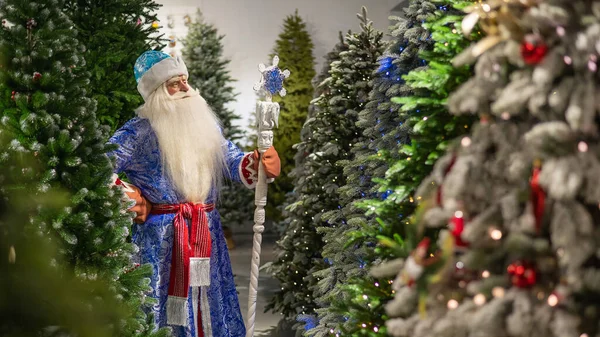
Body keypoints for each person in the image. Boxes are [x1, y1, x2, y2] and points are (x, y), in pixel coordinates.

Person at [107, 51, 280, 337]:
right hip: (163, 237)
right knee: (166, 307)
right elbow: (97, 166)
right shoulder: (137, 132)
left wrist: (259, 163)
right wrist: (129, 197)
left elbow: (233, 161)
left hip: (206, 230)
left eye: (185, 80)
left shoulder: (205, 125)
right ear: (157, 92)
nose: (186, 89)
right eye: (175, 83)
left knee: (210, 299)